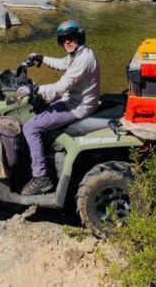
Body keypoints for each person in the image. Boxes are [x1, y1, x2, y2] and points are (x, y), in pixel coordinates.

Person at [17, 20, 100, 195]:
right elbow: (62, 64)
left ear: (79, 37)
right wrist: (41, 58)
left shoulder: (83, 60)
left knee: (30, 127)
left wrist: (34, 89)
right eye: (63, 40)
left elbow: (60, 88)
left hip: (77, 106)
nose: (67, 42)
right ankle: (48, 152)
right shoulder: (78, 54)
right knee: (40, 112)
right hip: (74, 100)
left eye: (70, 38)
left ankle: (41, 177)